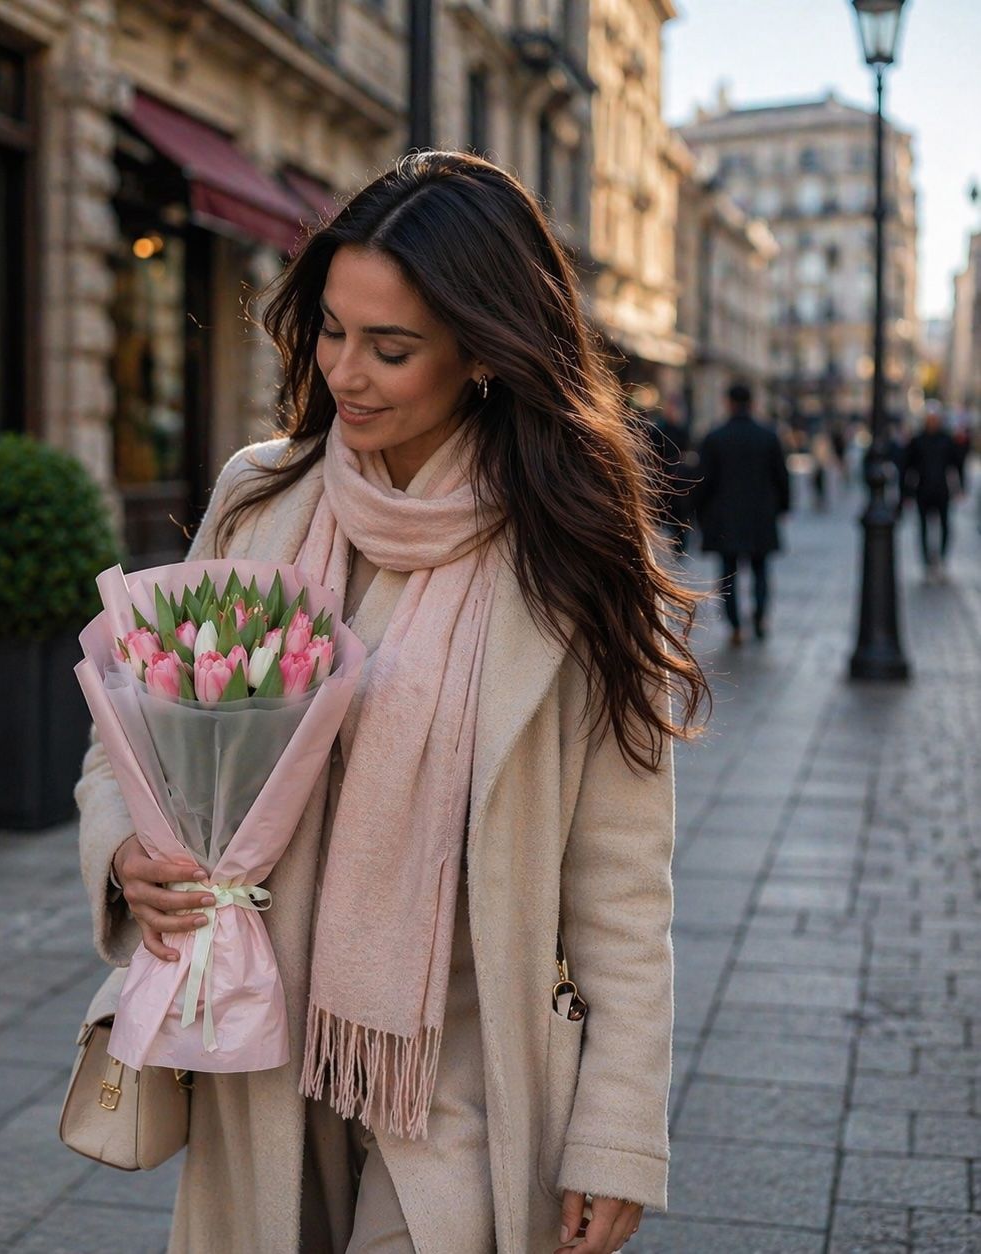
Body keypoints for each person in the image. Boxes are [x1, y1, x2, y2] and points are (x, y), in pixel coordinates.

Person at [74, 151, 708, 1254]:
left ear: (483, 352)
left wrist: (615, 1132)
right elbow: (124, 743)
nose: (347, 372)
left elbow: (621, 881)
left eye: (392, 347)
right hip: (261, 1059)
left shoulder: (579, 553)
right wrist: (128, 857)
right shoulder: (261, 497)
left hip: (461, 1071)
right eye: (331, 331)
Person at [694, 382, 791, 645]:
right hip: (760, 516)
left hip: (725, 518)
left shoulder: (715, 437)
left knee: (728, 574)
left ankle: (735, 625)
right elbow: (781, 478)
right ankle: (759, 618)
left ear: (728, 402)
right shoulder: (768, 437)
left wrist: (699, 515)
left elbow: (703, 481)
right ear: (753, 403)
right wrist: (782, 507)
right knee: (760, 570)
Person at [900, 405, 967, 579]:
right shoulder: (918, 440)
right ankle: (927, 563)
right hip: (922, 490)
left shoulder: (946, 440)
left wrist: (960, 488)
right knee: (923, 527)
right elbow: (907, 467)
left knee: (945, 526)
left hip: (942, 490)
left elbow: (957, 464)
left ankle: (942, 560)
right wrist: (906, 493)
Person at [642, 398, 695, 553]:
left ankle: (680, 545)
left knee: (679, 514)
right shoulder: (658, 430)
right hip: (662, 477)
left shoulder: (682, 430)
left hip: (679, 478)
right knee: (663, 513)